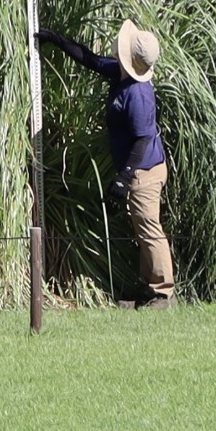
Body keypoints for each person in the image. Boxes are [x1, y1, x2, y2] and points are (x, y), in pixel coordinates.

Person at [39, 20, 170, 307]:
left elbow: (142, 139)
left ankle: (163, 293)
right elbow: (92, 60)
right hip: (139, 171)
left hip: (144, 171)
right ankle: (149, 289)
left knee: (149, 229)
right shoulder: (123, 74)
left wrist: (124, 177)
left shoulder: (138, 94)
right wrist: (58, 40)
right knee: (142, 228)